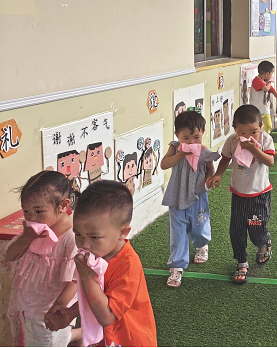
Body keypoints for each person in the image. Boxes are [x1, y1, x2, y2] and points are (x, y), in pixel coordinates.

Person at [46, 181, 157, 347]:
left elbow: (107, 316)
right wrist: (70, 313)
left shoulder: (127, 266)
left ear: (123, 232)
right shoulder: (97, 254)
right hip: (105, 339)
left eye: (94, 237)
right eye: (78, 234)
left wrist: (87, 278)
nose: (84, 244)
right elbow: (93, 296)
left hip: (130, 341)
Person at [1, 171, 78, 346]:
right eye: (26, 211)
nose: (31, 217)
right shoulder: (34, 231)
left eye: (39, 211)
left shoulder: (71, 238)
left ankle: (80, 335)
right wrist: (26, 238)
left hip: (48, 315)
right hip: (23, 309)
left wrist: (57, 310)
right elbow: (9, 256)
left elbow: (74, 281)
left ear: (63, 205)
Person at [209, 105, 275, 285]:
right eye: (243, 133)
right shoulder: (232, 141)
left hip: (260, 194)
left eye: (253, 132)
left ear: (261, 126)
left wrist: (254, 149)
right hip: (238, 194)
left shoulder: (266, 140)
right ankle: (241, 262)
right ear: (235, 130)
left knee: (257, 228)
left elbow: (269, 161)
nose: (248, 137)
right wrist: (219, 174)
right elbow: (225, 158)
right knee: (236, 230)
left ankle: (263, 242)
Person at [160, 110, 220, 288]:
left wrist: (211, 178)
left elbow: (210, 169)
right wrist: (180, 154)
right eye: (186, 138)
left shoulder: (204, 151)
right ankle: (177, 266)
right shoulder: (174, 147)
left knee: (199, 227)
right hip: (176, 197)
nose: (192, 142)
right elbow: (164, 164)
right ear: (177, 135)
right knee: (177, 232)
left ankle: (202, 245)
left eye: (196, 137)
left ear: (203, 133)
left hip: (198, 195)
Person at [250, 60, 277, 135]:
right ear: (266, 74)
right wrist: (270, 82)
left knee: (268, 126)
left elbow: (273, 91)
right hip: (256, 110)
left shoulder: (265, 82)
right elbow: (266, 89)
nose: (272, 75)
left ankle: (265, 140)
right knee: (256, 127)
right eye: (272, 73)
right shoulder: (257, 80)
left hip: (265, 110)